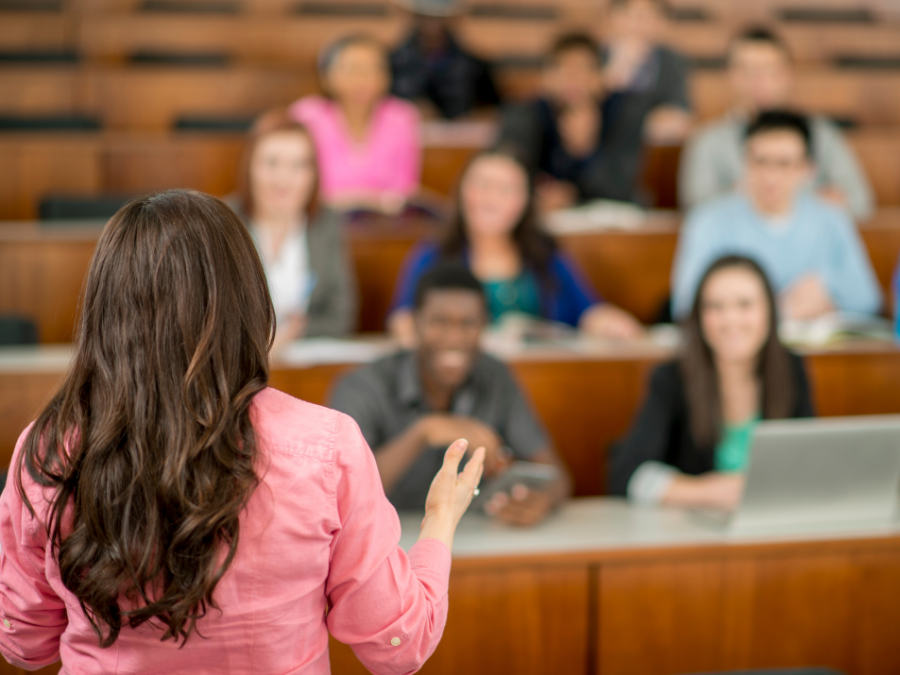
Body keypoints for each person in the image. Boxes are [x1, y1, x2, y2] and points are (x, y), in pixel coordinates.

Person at [0, 190, 484, 673]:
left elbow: (25, 643)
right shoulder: (327, 447)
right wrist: (440, 518)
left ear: (104, 312)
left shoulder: (47, 451)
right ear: (248, 300)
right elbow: (398, 646)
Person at [331, 263, 570, 526]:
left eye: (469, 323)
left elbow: (557, 477)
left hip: (472, 537)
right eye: (440, 322)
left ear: (484, 327)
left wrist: (541, 500)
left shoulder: (496, 377)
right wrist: (424, 431)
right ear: (415, 325)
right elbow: (342, 492)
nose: (455, 338)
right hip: (384, 541)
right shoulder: (362, 386)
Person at [609, 255, 814, 510]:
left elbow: (811, 463)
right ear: (699, 316)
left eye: (745, 305)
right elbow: (626, 475)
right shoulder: (671, 378)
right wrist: (712, 491)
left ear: (770, 312)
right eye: (715, 307)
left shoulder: (791, 368)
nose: (730, 320)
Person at [387, 150, 644, 345]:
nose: (492, 198)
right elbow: (403, 321)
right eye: (482, 185)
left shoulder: (546, 256)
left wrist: (611, 323)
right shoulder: (433, 255)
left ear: (524, 202)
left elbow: (588, 311)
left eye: (507, 189)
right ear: (461, 192)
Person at [671, 110, 882, 321]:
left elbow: (868, 298)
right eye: (761, 162)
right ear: (744, 163)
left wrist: (826, 287)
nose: (771, 176)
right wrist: (776, 308)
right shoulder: (707, 222)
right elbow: (685, 303)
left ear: (808, 170)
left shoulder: (832, 219)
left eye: (784, 164)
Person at [679, 26, 874, 220]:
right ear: (729, 75)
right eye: (748, 71)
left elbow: (859, 202)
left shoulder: (823, 133)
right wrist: (807, 198)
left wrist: (755, 196)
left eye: (771, 71)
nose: (760, 81)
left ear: (788, 74)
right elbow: (698, 210)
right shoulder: (706, 140)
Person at [234, 109, 357, 351]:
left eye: (299, 165)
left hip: (301, 363)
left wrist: (293, 334)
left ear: (313, 174)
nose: (284, 179)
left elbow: (342, 315)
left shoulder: (326, 222)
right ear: (249, 167)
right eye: (271, 163)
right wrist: (263, 342)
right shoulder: (222, 221)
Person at [496, 32, 648, 211]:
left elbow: (620, 186)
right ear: (547, 78)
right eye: (562, 69)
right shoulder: (524, 113)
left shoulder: (626, 111)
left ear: (600, 77)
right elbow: (507, 167)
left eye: (582, 69)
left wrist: (585, 151)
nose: (573, 79)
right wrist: (540, 194)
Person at [289, 34, 421, 215]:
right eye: (352, 69)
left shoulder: (402, 118)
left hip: (382, 226)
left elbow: (404, 193)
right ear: (326, 77)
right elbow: (299, 189)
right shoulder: (306, 116)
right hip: (318, 222)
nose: (363, 77)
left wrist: (346, 200)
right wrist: (370, 199)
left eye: (373, 68)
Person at [390, 0, 500, 119]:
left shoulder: (473, 66)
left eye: (439, 17)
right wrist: (410, 110)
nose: (432, 24)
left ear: (451, 20)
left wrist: (470, 118)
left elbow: (493, 108)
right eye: (425, 16)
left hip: (459, 134)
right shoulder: (393, 62)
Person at [602, 0, 693, 145]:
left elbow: (680, 113)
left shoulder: (672, 61)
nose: (639, 25)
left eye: (649, 16)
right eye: (631, 15)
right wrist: (619, 68)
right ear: (614, 16)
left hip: (651, 149)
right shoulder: (595, 56)